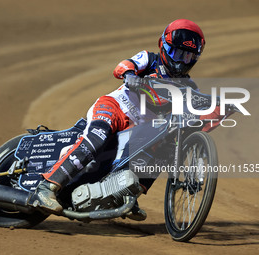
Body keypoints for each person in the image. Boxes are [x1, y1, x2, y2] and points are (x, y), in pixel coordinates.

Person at [28, 19, 206, 220]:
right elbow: (122, 66)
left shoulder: (190, 88)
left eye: (188, 56)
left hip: (136, 130)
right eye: (177, 53)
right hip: (114, 107)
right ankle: (46, 187)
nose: (181, 61)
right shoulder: (149, 59)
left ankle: (128, 193)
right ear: (163, 46)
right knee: (98, 137)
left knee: (165, 148)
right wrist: (130, 74)